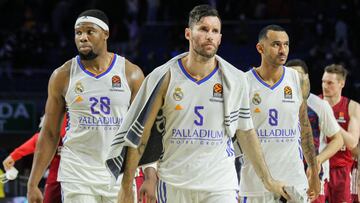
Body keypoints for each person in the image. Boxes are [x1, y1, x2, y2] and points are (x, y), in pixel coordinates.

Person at [107, 5, 289, 203]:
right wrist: (126, 187)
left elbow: (246, 132)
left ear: (220, 38)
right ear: (188, 33)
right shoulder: (164, 77)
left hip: (220, 184)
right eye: (203, 29)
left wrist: (268, 180)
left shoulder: (235, 79)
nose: (210, 36)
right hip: (174, 183)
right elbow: (140, 135)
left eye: (215, 31)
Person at [26, 9, 154, 203]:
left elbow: (142, 134)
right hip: (77, 172)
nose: (83, 38)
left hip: (118, 174)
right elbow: (50, 133)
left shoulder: (131, 74)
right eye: (78, 33)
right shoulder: (62, 75)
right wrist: (33, 183)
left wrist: (135, 180)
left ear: (106, 34)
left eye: (89, 32)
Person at [239, 25, 321, 203]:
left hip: (295, 182)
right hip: (255, 185)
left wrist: (314, 171)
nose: (283, 50)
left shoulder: (297, 80)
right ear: (260, 48)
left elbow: (305, 128)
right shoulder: (243, 83)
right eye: (276, 44)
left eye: (286, 44)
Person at [286, 59, 344, 203]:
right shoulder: (276, 102)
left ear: (307, 77)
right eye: (290, 75)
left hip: (313, 178)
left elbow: (338, 140)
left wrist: (317, 160)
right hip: (285, 176)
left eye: (299, 75)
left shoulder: (319, 105)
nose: (295, 78)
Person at [2, 116, 66, 203]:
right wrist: (14, 155)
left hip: (81, 177)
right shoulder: (59, 118)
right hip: (58, 179)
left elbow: (46, 137)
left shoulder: (71, 115)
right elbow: (46, 137)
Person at [320, 64, 360, 203]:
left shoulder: (352, 106)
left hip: (341, 170)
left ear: (341, 83)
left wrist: (330, 120)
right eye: (323, 81)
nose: (325, 86)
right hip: (319, 167)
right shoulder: (314, 104)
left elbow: (352, 142)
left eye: (330, 82)